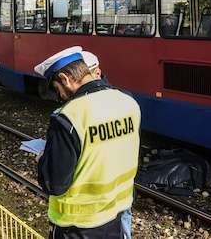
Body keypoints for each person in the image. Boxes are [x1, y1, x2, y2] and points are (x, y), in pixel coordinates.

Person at [34, 46, 141, 238]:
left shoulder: (68, 116)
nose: (59, 96)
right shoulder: (128, 102)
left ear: (65, 79)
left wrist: (42, 161)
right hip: (117, 215)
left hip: (78, 227)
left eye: (57, 89)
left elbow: (55, 185)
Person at [80, 50, 131, 238]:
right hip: (122, 185)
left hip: (102, 192)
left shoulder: (81, 108)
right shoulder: (125, 99)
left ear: (97, 73)